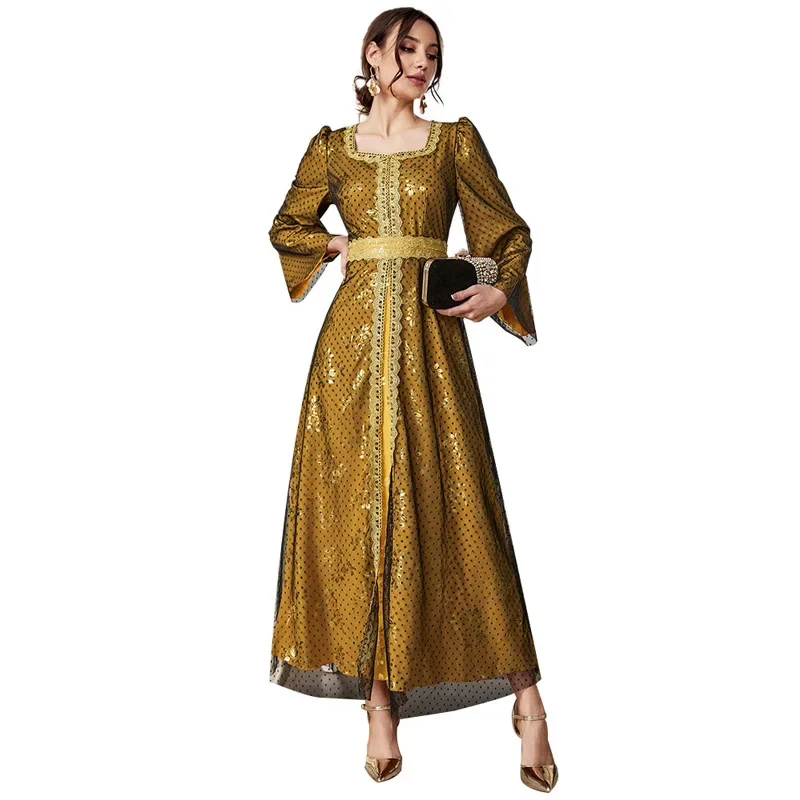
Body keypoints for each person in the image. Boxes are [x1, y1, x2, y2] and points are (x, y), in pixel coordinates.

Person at [268, 8, 557, 791]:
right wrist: (337, 243)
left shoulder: (455, 141)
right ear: (372, 53)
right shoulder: (331, 149)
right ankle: (379, 704)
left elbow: (508, 234)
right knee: (363, 516)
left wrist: (496, 289)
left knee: (463, 507)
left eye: (433, 52)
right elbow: (288, 225)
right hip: (350, 356)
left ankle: (529, 700)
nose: (422, 62)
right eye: (406, 48)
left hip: (433, 348)